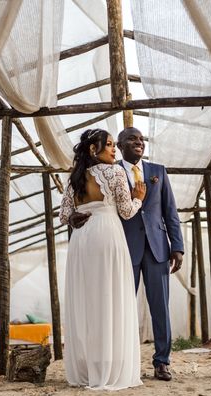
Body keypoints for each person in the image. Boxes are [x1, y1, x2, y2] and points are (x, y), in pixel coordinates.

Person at [68, 127, 184, 381]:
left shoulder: (158, 172)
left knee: (160, 308)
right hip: (121, 247)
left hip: (157, 248)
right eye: (132, 139)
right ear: (119, 145)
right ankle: (119, 360)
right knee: (118, 306)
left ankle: (162, 361)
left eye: (141, 139)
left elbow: (170, 212)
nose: (139, 142)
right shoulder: (112, 170)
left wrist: (177, 246)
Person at [59, 128, 147, 390]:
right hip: (107, 236)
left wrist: (76, 217)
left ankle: (90, 367)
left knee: (87, 300)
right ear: (92, 149)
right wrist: (139, 199)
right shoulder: (115, 172)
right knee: (111, 297)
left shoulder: (74, 178)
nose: (114, 150)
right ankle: (110, 366)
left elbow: (65, 215)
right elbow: (126, 211)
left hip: (82, 241)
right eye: (109, 145)